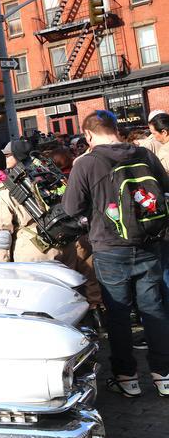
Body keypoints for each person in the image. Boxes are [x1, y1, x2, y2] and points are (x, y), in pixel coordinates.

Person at [62, 110, 169, 398]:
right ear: (115, 129)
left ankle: (127, 378)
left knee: (119, 315)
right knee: (154, 308)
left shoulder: (86, 163)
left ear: (87, 135)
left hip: (109, 247)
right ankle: (164, 375)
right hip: (148, 242)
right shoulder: (144, 154)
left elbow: (71, 208)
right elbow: (164, 188)